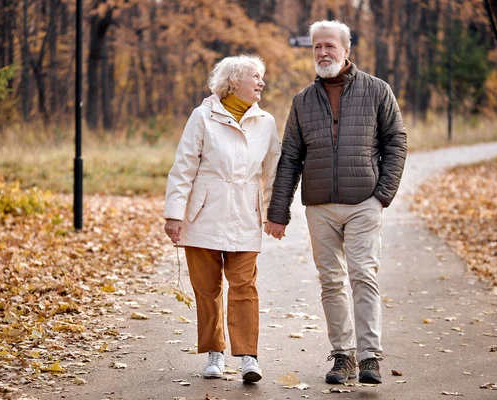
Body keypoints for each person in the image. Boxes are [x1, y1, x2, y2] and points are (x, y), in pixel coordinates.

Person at [265, 20, 407, 385]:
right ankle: (342, 355)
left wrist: (382, 195)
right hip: (320, 207)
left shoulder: (377, 90)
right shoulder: (302, 100)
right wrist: (278, 212)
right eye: (317, 47)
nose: (323, 53)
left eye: (330, 46)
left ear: (346, 50)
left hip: (364, 202)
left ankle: (370, 357)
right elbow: (291, 158)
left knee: (363, 276)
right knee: (331, 282)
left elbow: (396, 142)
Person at [163, 54, 281, 383]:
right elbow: (183, 166)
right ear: (233, 82)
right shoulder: (202, 116)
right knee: (206, 288)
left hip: (245, 213)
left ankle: (248, 357)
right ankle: (215, 352)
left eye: (262, 77)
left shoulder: (266, 122)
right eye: (255, 76)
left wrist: (276, 214)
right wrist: (174, 214)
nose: (262, 83)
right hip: (202, 214)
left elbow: (274, 173)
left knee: (245, 286)